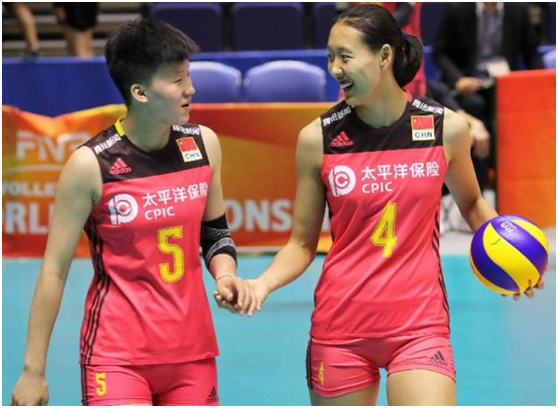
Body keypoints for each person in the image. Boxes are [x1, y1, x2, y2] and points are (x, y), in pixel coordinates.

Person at [217, 4, 544, 405]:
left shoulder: (444, 129)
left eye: (345, 56)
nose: (334, 69)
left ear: (385, 56)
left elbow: (473, 203)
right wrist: (261, 284)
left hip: (420, 325)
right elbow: (301, 243)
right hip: (340, 328)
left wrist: (510, 256)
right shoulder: (317, 139)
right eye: (330, 57)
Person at [11, 18, 257, 406]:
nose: (190, 89)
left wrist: (226, 275)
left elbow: (215, 233)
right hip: (116, 356)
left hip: (192, 352)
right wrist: (33, 371)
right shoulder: (91, 165)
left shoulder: (203, 145)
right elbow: (54, 269)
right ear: (139, 92)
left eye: (188, 75)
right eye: (177, 80)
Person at [433, 2, 544, 190]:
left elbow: (531, 54)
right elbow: (440, 52)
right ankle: (477, 182)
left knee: (518, 107)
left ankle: (512, 182)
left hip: (504, 85)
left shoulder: (519, 9)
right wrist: (458, 79)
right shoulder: (458, 9)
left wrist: (541, 87)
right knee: (474, 105)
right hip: (468, 85)